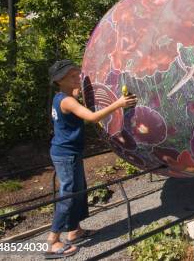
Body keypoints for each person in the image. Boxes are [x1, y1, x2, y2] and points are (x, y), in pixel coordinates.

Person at [45, 60, 137, 259]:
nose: (78, 77)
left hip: (68, 152)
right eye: (73, 76)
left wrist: (81, 86)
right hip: (65, 154)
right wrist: (119, 103)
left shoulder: (63, 96)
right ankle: (52, 241)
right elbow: (92, 117)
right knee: (67, 196)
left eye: (78, 74)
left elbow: (76, 97)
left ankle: (74, 230)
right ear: (60, 81)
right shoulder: (67, 101)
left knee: (77, 192)